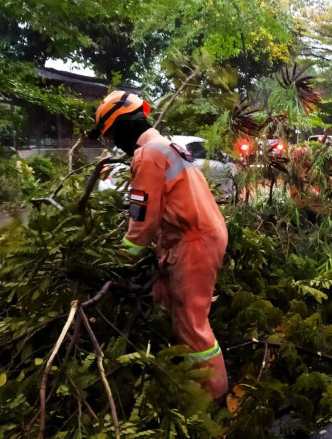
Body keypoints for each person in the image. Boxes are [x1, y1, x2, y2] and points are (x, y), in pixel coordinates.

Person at [91, 90, 229, 399]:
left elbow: (143, 220)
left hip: (194, 239)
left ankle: (212, 400)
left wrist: (118, 259)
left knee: (191, 324)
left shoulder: (149, 154)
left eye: (113, 134)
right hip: (197, 235)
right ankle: (191, 380)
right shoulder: (168, 146)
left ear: (124, 125)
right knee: (174, 307)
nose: (115, 144)